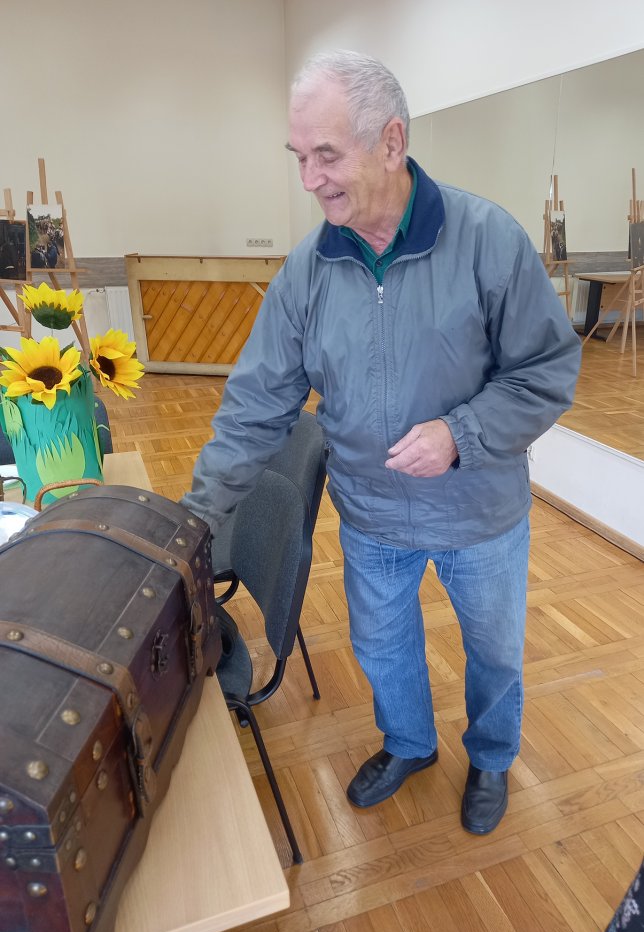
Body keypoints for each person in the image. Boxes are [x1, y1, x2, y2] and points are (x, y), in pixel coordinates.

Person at [182, 50, 581, 835]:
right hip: (371, 516)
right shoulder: (308, 268)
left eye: (326, 155)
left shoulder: (488, 240)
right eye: (300, 158)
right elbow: (256, 404)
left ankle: (493, 757)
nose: (309, 179)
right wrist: (193, 520)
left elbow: (547, 370)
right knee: (383, 646)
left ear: (391, 142)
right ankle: (409, 744)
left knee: (494, 653)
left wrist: (460, 434)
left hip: (479, 514)